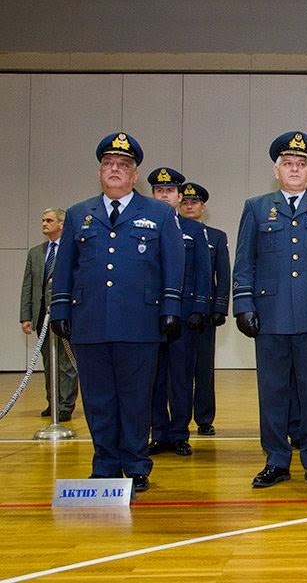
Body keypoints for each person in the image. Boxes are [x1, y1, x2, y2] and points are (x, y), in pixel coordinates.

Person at [49, 132, 185, 492]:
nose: (115, 170)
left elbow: (173, 264)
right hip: (90, 321)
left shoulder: (157, 213)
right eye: (108, 164)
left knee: (136, 397)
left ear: (134, 175)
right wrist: (61, 306)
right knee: (98, 399)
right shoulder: (80, 214)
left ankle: (137, 463)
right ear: (99, 172)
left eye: (123, 165)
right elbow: (65, 267)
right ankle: (105, 463)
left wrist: (171, 307)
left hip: (139, 322)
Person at [233, 131, 307, 489]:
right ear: (276, 169)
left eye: (301, 164)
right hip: (269, 316)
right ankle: (276, 459)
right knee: (272, 391)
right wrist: (243, 304)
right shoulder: (256, 207)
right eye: (288, 164)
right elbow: (244, 262)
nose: (295, 169)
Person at [147, 168, 212, 457]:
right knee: (153, 378)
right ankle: (159, 433)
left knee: (181, 377)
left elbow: (202, 272)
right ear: (153, 194)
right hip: (148, 317)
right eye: (159, 191)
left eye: (170, 191)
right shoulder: (143, 225)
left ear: (178, 196)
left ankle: (179, 433)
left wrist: (200, 307)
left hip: (184, 317)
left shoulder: (193, 230)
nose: (164, 195)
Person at [179, 182, 231, 436]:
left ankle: (204, 417)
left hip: (204, 313)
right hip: (177, 312)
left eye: (195, 203)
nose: (190, 207)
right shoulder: (171, 232)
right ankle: (178, 419)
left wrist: (220, 307)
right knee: (177, 370)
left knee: (203, 368)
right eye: (185, 202)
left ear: (203, 207)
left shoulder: (216, 236)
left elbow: (223, 274)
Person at [20, 208, 79, 422]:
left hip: (65, 315)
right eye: (43, 220)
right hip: (41, 317)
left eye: (49, 220)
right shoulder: (36, 253)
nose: (44, 224)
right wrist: (25, 316)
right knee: (48, 361)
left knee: (66, 362)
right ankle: (52, 401)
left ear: (61, 224)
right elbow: (28, 286)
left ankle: (65, 405)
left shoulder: (72, 249)